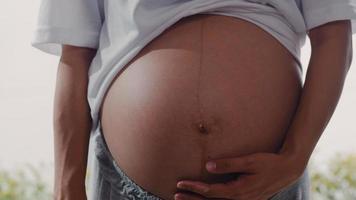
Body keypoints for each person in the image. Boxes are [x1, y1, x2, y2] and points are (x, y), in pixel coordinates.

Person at [31, 0, 355, 199]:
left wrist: (294, 159)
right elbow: (74, 54)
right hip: (126, 183)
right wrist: (66, 188)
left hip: (265, 186)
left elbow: (333, 32)